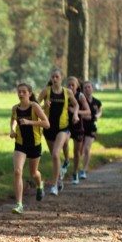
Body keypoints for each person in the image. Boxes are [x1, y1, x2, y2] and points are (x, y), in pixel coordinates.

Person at [39, 68, 80, 196]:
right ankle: (60, 178)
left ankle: (54, 185)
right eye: (53, 77)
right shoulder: (46, 91)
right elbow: (35, 106)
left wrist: (76, 115)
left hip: (62, 128)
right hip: (49, 128)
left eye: (57, 77)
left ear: (62, 78)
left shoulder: (67, 92)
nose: (54, 79)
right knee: (54, 157)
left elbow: (76, 104)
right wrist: (43, 106)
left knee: (56, 154)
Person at [9, 83, 49, 213]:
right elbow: (13, 120)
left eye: (24, 92)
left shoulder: (34, 107)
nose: (21, 94)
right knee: (17, 171)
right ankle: (19, 204)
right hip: (20, 144)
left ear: (30, 94)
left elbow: (46, 124)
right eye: (19, 92)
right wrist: (12, 130)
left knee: (33, 173)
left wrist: (29, 122)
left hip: (34, 144)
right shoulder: (15, 108)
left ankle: (39, 184)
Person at [65, 76, 89, 185]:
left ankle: (75, 172)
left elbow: (88, 112)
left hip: (78, 127)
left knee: (76, 152)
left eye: (72, 85)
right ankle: (65, 162)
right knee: (62, 145)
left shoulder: (80, 96)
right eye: (68, 85)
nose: (70, 87)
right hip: (65, 126)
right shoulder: (64, 95)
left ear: (77, 86)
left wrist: (76, 111)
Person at [78, 80, 102, 180]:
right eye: (85, 87)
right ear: (83, 90)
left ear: (92, 88)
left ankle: (83, 170)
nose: (87, 89)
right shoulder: (80, 101)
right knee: (79, 151)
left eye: (89, 87)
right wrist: (83, 116)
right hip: (80, 127)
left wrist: (97, 115)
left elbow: (100, 112)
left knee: (87, 148)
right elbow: (75, 111)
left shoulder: (97, 102)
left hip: (91, 127)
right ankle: (77, 168)